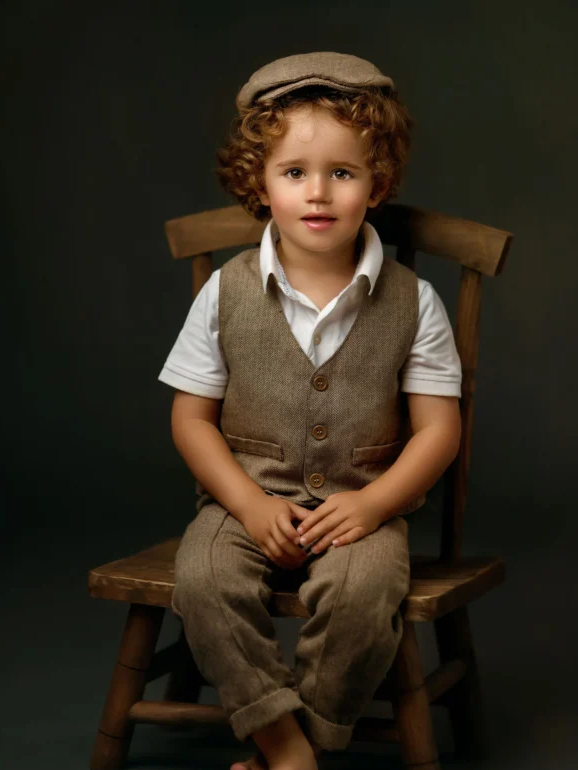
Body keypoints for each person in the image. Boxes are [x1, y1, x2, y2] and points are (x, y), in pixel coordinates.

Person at [158, 52, 463, 770]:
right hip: (241, 502)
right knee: (202, 582)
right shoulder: (226, 292)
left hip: (361, 505)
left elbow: (439, 429)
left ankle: (314, 735)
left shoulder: (413, 301)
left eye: (343, 172)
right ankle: (278, 738)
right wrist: (247, 502)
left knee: (363, 598)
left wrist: (377, 503)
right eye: (294, 172)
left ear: (376, 183)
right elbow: (190, 419)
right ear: (259, 184)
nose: (318, 193)